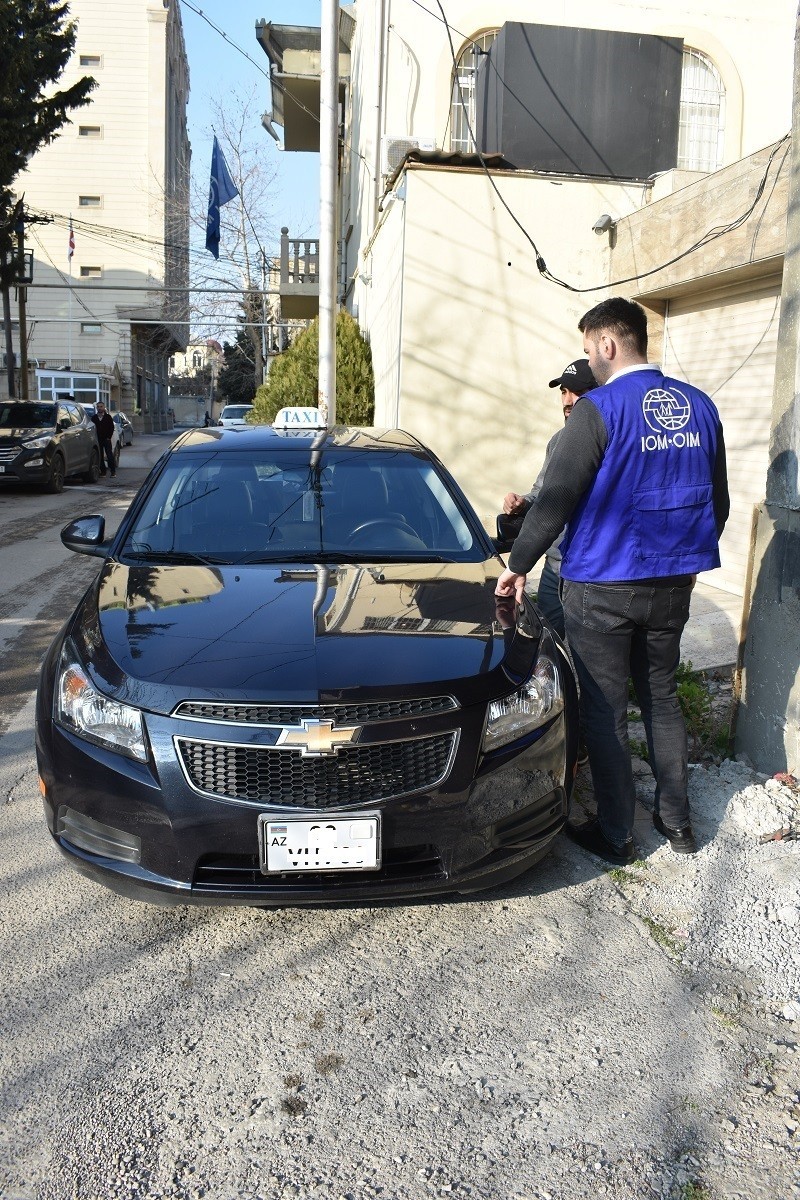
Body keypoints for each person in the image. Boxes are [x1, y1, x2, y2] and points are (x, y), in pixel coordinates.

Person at [496, 298, 729, 864]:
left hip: (602, 585)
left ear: (607, 344)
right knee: (661, 698)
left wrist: (517, 565)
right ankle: (678, 824)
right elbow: (717, 503)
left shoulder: (599, 411)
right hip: (674, 585)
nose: (589, 364)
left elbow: (553, 504)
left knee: (605, 709)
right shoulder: (701, 407)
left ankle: (617, 833)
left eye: (588, 350)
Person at [501, 358, 597, 637]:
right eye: (564, 391)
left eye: (577, 391)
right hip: (553, 569)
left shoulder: (608, 440)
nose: (568, 400)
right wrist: (523, 503)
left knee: (588, 658)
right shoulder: (557, 441)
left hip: (590, 574)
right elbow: (542, 492)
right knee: (548, 644)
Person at [91, 401, 116, 477]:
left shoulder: (108, 417)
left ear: (104, 407)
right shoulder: (94, 417)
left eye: (101, 406)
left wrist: (109, 437)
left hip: (106, 439)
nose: (99, 408)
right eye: (98, 407)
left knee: (109, 455)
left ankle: (113, 472)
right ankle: (103, 472)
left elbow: (111, 428)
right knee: (100, 456)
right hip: (98, 440)